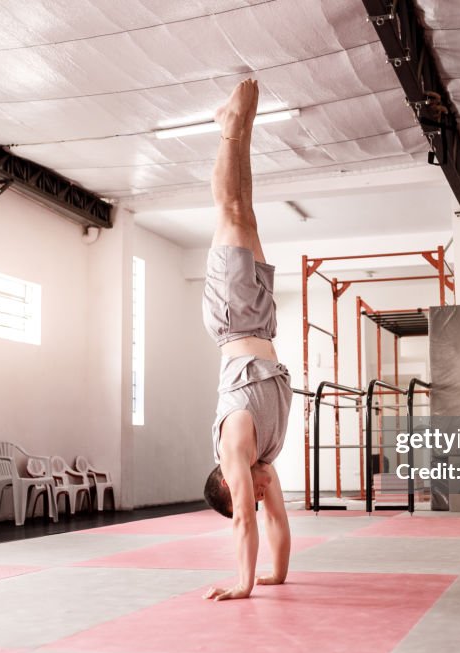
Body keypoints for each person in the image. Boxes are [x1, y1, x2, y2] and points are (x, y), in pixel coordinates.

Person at [200, 79, 293, 602]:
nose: (262, 495)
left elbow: (245, 522)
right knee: (249, 210)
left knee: (230, 211)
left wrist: (243, 583)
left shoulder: (235, 448)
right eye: (259, 495)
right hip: (262, 321)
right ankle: (239, 129)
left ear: (228, 482)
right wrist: (273, 574)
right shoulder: (268, 453)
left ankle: (230, 129)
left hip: (235, 318)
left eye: (249, 495)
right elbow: (277, 524)